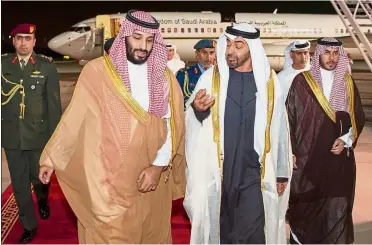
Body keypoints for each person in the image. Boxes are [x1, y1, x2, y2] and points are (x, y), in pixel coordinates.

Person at [38, 10, 186, 243]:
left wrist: (158, 167)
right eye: (137, 37)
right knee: (111, 233)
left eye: (149, 40)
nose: (143, 46)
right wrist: (51, 158)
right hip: (110, 179)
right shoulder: (97, 72)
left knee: (152, 232)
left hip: (152, 176)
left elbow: (173, 126)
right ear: (124, 35)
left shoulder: (163, 77)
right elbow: (74, 119)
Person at [183, 23, 292, 244]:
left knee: (253, 232)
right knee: (223, 231)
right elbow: (192, 122)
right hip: (219, 172)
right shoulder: (211, 79)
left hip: (255, 175)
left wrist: (281, 171)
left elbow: (280, 128)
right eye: (228, 44)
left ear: (252, 48)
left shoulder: (269, 83)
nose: (230, 51)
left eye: (239, 45)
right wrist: (197, 110)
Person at [286, 37, 366, 244]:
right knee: (306, 209)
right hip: (307, 160)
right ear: (318, 53)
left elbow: (357, 115)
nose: (331, 58)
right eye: (327, 52)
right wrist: (290, 151)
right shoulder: (302, 82)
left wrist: (346, 139)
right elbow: (290, 118)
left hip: (338, 160)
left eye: (335, 53)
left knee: (337, 208)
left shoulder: (347, 81)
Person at [1, 23, 62, 243]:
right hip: (11, 136)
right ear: (14, 41)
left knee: (39, 179)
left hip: (39, 135)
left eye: (28, 38)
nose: (23, 42)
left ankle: (43, 200)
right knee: (18, 184)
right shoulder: (3, 64)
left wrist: (54, 139)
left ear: (34, 42)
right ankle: (29, 225)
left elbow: (54, 105)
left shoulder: (46, 66)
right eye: (19, 38)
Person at [176, 39, 216, 107]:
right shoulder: (184, 74)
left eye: (211, 53)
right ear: (196, 54)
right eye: (204, 53)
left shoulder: (220, 74)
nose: (208, 57)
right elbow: (176, 100)